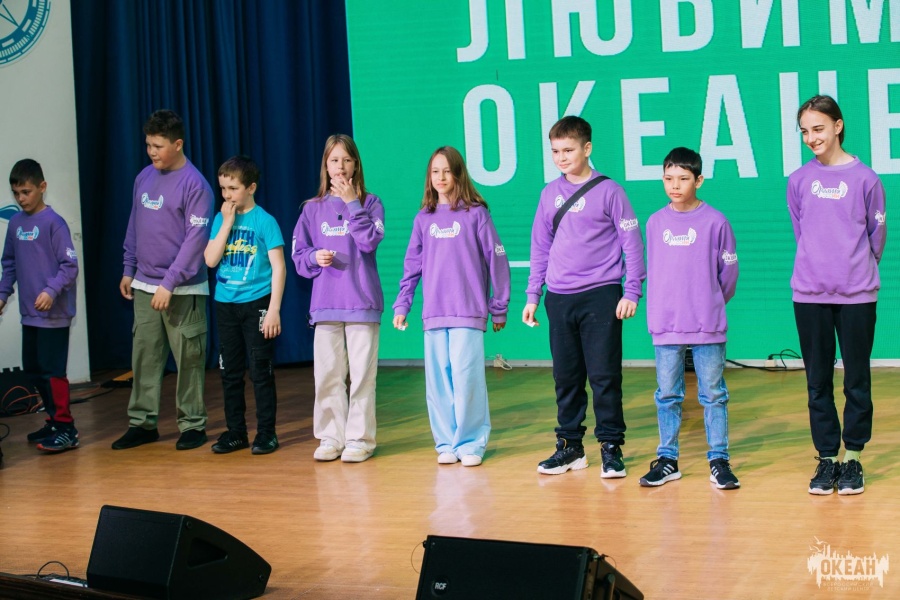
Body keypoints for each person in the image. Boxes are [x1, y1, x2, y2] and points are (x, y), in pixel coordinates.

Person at [523, 115, 646, 477]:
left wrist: (632, 290)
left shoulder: (611, 191)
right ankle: (571, 448)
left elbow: (632, 244)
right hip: (559, 297)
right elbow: (540, 247)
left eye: (568, 150)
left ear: (587, 148)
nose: (561, 158)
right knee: (566, 377)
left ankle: (610, 447)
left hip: (601, 294)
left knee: (604, 376)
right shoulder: (548, 194)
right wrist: (533, 295)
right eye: (555, 151)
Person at [789, 95, 886, 496]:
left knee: (856, 380)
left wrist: (853, 268)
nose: (811, 138)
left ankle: (854, 458)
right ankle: (827, 457)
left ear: (838, 126)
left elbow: (876, 237)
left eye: (818, 129)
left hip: (857, 294)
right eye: (805, 131)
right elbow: (801, 230)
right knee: (817, 381)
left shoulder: (866, 179)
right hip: (809, 293)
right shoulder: (798, 180)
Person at [393, 146, 511, 467]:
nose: (441, 177)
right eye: (435, 172)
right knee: (439, 383)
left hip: (468, 312)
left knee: (466, 377)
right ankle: (446, 442)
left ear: (458, 174)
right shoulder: (423, 219)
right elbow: (411, 266)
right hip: (434, 314)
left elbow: (497, 260)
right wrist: (402, 304)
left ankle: (471, 443)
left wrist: (498, 306)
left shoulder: (476, 214)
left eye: (447, 171)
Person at [639, 147, 740, 490]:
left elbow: (729, 274)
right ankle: (667, 459)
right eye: (668, 178)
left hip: (707, 325)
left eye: (683, 179)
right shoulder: (655, 222)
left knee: (713, 394)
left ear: (699, 180)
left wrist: (709, 302)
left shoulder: (716, 221)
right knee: (667, 394)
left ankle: (719, 460)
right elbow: (654, 270)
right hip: (666, 326)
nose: (675, 185)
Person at [113, 109, 213, 451]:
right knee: (144, 356)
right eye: (148, 145)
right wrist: (129, 268)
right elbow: (134, 225)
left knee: (189, 358)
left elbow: (196, 241)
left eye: (158, 146)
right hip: (144, 284)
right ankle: (142, 423)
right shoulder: (143, 178)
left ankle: (193, 424)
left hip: (182, 288)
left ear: (178, 144)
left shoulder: (196, 185)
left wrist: (169, 283)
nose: (151, 152)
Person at [292, 134, 384, 463]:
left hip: (362, 303)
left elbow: (369, 241)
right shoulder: (311, 209)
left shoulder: (371, 203)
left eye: (346, 160)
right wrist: (313, 257)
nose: (340, 166)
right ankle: (331, 436)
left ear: (356, 164)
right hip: (326, 305)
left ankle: (360, 439)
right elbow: (299, 254)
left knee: (362, 377)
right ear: (326, 166)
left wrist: (352, 203)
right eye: (334, 160)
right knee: (328, 375)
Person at [204, 156, 285, 455]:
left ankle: (266, 434)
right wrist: (226, 223)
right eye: (223, 188)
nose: (227, 195)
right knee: (230, 371)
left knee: (260, 370)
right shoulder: (220, 219)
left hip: (257, 303)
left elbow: (279, 267)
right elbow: (210, 260)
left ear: (251, 188)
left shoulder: (265, 221)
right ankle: (236, 432)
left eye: (233, 188)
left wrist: (274, 309)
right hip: (226, 305)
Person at [0, 159, 79, 452]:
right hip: (29, 315)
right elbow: (9, 263)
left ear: (42, 187)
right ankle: (54, 421)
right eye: (16, 193)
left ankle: (67, 429)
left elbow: (70, 266)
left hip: (54, 315)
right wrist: (3, 294)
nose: (21, 198)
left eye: (26, 192)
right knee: (34, 370)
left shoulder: (54, 223)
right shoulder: (16, 224)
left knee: (52, 371)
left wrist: (50, 291)